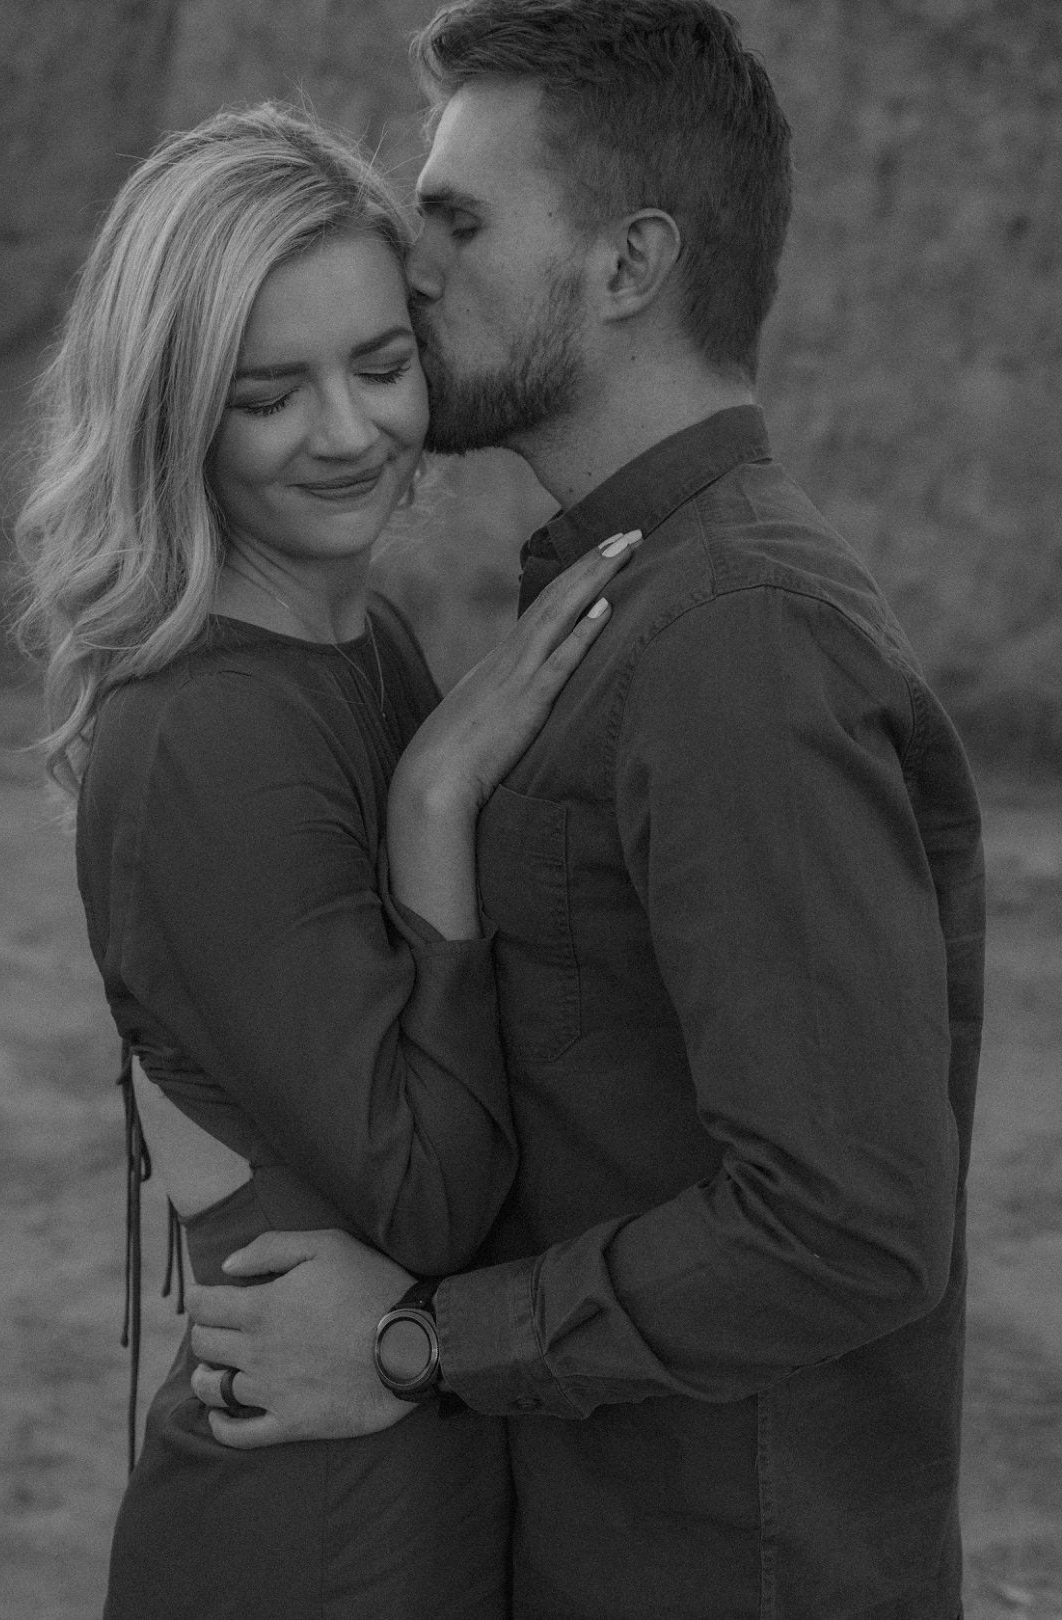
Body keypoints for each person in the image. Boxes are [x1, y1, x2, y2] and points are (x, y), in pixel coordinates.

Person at [186, 4, 986, 1619]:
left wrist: (418, 1344)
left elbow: (848, 1223)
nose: (409, 267)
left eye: (460, 221)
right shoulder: (635, 605)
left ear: (630, 264)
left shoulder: (739, 640)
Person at [14, 102, 642, 1619]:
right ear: (174, 412)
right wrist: (434, 801)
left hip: (415, 1455)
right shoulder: (210, 734)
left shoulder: (367, 640)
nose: (352, 432)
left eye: (379, 364)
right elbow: (427, 1198)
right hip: (314, 1528)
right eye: (269, 394)